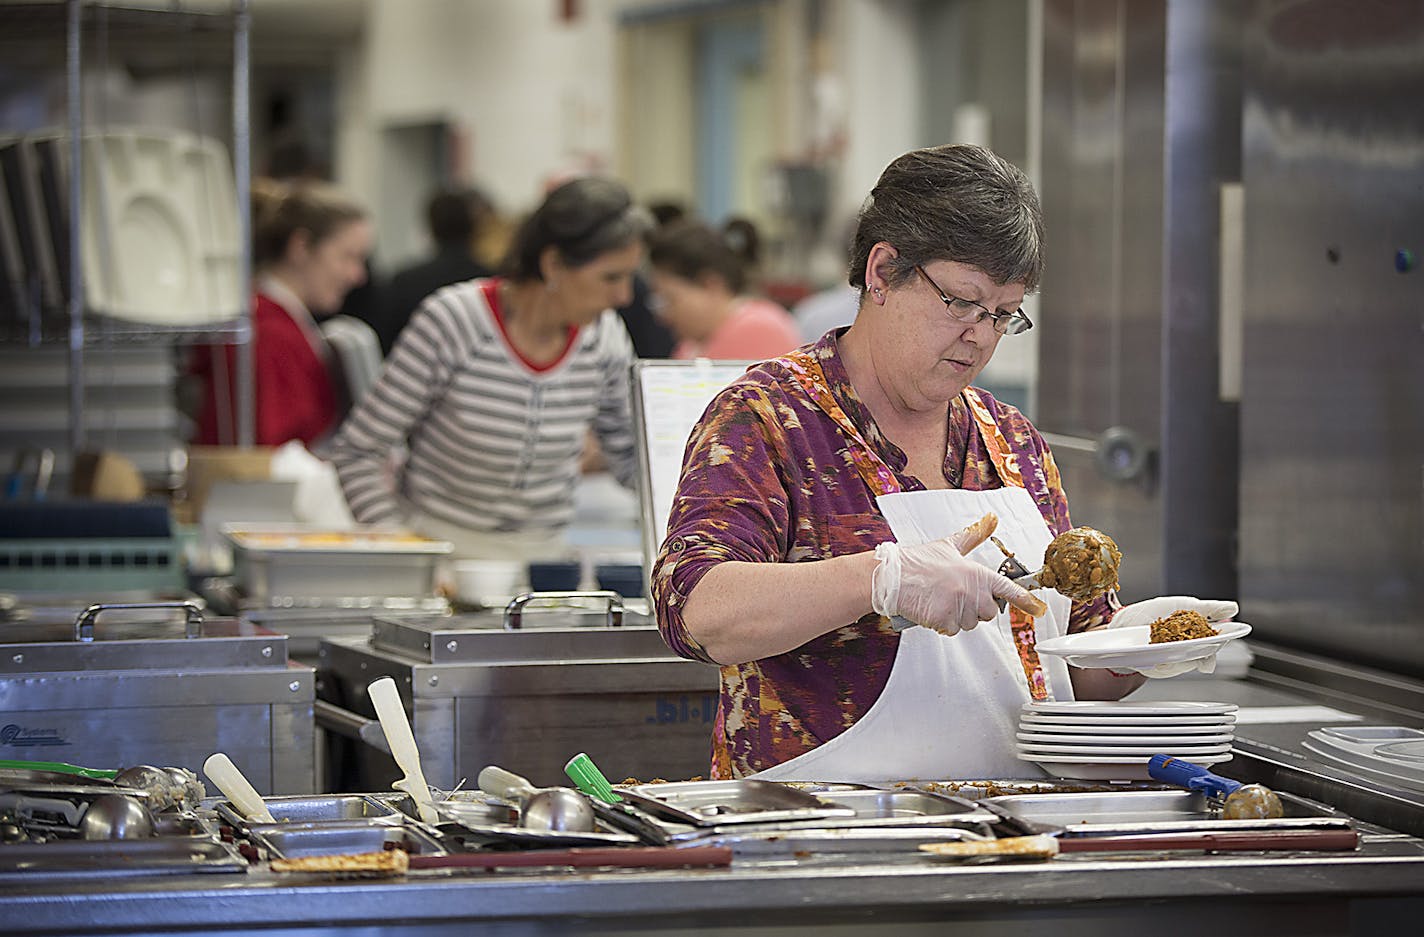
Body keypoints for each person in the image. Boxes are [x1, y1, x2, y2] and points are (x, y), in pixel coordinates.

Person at [650, 144, 1237, 781]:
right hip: (821, 834)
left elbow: (1073, 671)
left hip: (1007, 832)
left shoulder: (1011, 441)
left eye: (1003, 315)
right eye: (961, 302)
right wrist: (883, 579)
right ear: (881, 272)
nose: (980, 336)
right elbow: (696, 611)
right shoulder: (769, 419)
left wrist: (1139, 648)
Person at [329, 176, 652, 562]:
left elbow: (635, 461)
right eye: (611, 277)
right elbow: (359, 451)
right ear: (552, 264)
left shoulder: (604, 339)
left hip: (545, 563)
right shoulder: (455, 321)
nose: (624, 296)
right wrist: (402, 551)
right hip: (439, 553)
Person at [190, 178, 373, 448]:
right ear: (301, 247)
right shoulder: (270, 334)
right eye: (347, 257)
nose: (358, 276)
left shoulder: (268, 321)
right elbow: (274, 451)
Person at [647, 219, 801, 361]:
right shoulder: (692, 343)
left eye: (670, 299)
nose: (664, 315)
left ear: (710, 285)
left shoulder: (758, 331)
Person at [375, 186, 496, 355]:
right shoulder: (491, 281)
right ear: (473, 227)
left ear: (431, 226)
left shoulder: (404, 281)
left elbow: (387, 344)